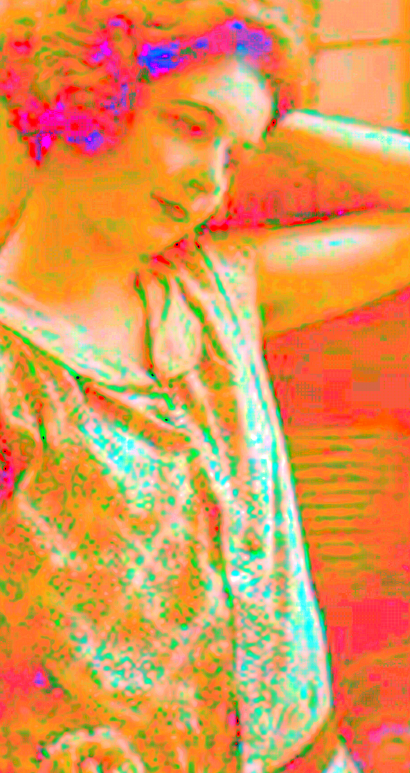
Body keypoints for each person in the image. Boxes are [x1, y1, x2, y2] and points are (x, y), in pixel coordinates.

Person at [0, 0, 409, 771]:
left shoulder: (221, 291)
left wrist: (274, 113)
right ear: (89, 102)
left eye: (236, 156)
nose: (208, 182)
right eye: (189, 127)